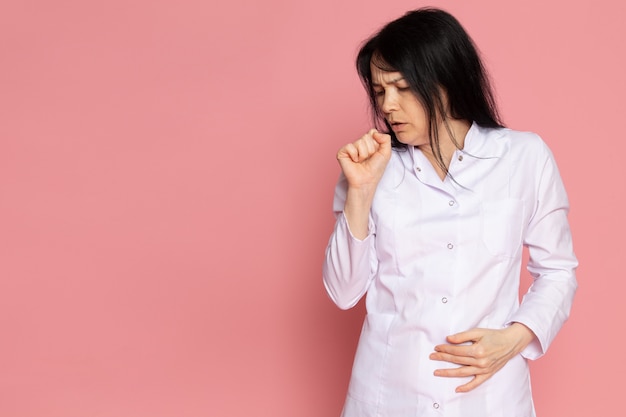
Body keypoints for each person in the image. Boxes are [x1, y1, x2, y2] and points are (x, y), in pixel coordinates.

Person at [322, 7, 577, 417]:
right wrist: (360, 192)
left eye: (401, 88)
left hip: (490, 397)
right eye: (379, 90)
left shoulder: (524, 157)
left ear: (445, 80)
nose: (387, 106)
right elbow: (343, 291)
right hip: (389, 395)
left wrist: (515, 338)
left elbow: (559, 271)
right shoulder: (369, 169)